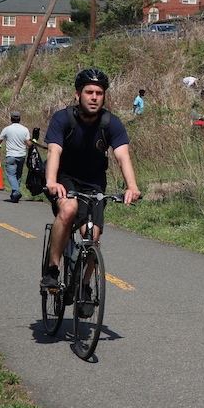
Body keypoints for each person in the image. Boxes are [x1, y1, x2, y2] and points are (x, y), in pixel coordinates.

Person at [40, 68, 142, 298]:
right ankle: (52, 269)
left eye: (99, 93)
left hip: (94, 183)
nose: (94, 97)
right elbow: (54, 151)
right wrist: (52, 181)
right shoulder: (63, 118)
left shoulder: (110, 123)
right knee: (68, 210)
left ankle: (84, 285)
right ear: (78, 95)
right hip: (65, 178)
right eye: (89, 92)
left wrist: (132, 186)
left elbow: (122, 156)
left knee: (93, 237)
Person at [0, 110, 32, 203]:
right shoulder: (25, 129)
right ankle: (14, 195)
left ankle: (16, 192)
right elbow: (29, 143)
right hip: (21, 155)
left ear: (11, 119)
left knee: (11, 175)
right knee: (18, 175)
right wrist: (34, 140)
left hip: (11, 155)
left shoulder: (7, 129)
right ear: (19, 119)